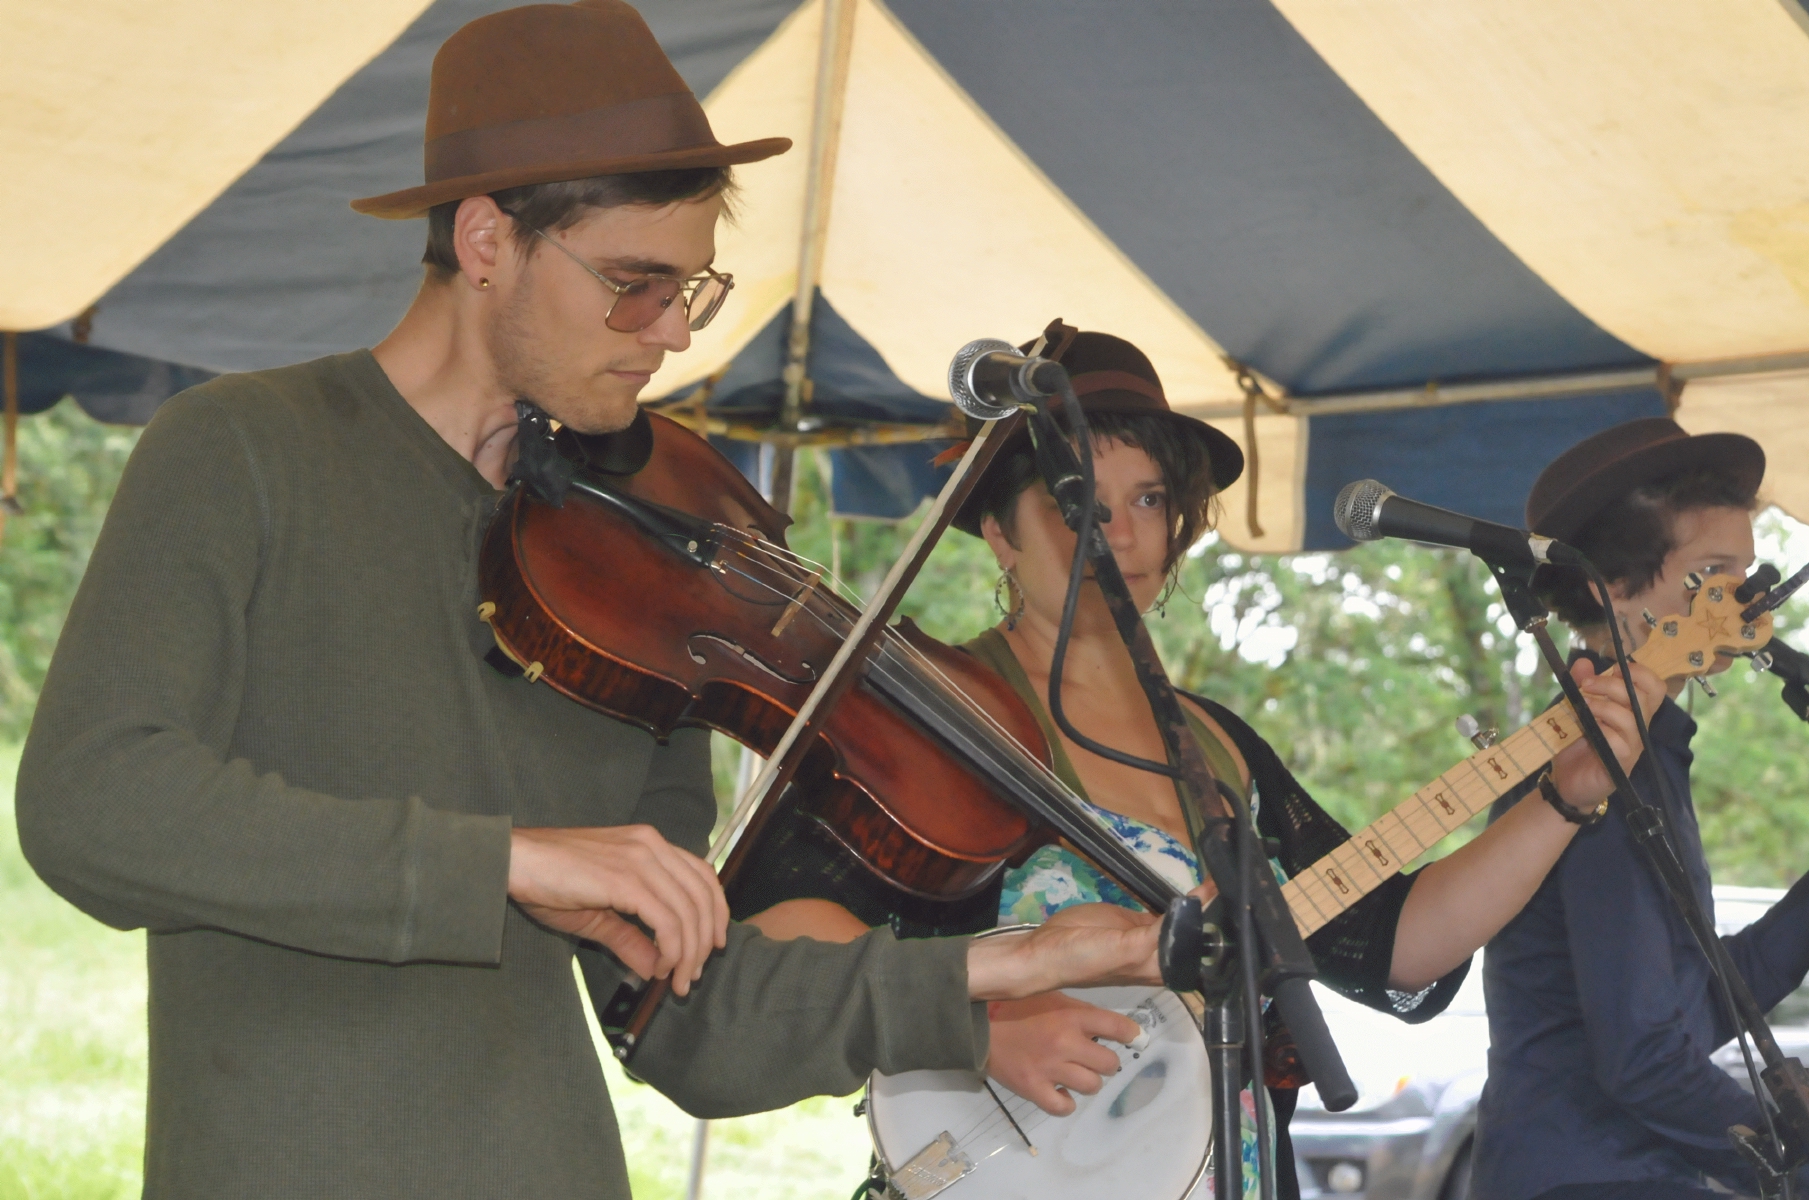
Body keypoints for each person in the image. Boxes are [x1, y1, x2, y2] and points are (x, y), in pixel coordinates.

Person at [10, 8, 1173, 1198]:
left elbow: (685, 1014)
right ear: (483, 241)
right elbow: (92, 802)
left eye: (690, 290)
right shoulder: (244, 450)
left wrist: (985, 972)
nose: (670, 334)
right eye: (633, 285)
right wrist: (507, 864)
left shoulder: (641, 576)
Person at [735, 323, 1662, 1198]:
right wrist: (970, 1024)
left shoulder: (1214, 744)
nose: (1124, 534)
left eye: (1149, 500)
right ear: (1000, 534)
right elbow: (770, 930)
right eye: (1077, 507)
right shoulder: (934, 711)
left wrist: (1560, 800)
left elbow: (1392, 943)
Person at [1474, 418, 1809, 1200]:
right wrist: (1780, 1156)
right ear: (1610, 588)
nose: (1746, 599)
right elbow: (1640, 1056)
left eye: (1748, 574)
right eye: (1712, 573)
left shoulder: (1646, 749)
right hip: (1589, 1177)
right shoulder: (1592, 761)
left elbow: (1695, 1000)